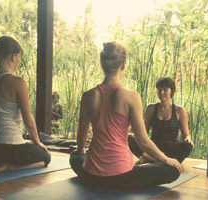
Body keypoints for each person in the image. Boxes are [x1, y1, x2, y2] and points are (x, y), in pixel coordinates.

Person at [69, 42, 182, 190]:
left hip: (91, 175)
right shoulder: (131, 96)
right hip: (122, 176)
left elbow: (81, 138)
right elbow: (143, 141)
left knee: (76, 158)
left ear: (102, 64)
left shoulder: (88, 96)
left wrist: (79, 150)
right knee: (172, 169)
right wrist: (166, 159)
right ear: (123, 65)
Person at [0, 36, 51, 175]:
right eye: (19, 58)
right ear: (13, 56)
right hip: (8, 149)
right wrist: (38, 142)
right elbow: (28, 120)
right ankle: (7, 167)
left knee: (23, 148)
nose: (19, 62)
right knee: (45, 157)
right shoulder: (17, 82)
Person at [128, 77, 194, 163]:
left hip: (171, 147)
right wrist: (133, 135)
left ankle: (153, 159)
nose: (162, 92)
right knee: (128, 138)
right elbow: (144, 132)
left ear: (171, 91)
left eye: (165, 90)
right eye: (159, 90)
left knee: (188, 146)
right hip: (154, 146)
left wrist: (188, 139)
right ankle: (159, 159)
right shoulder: (151, 108)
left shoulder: (179, 110)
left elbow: (186, 134)